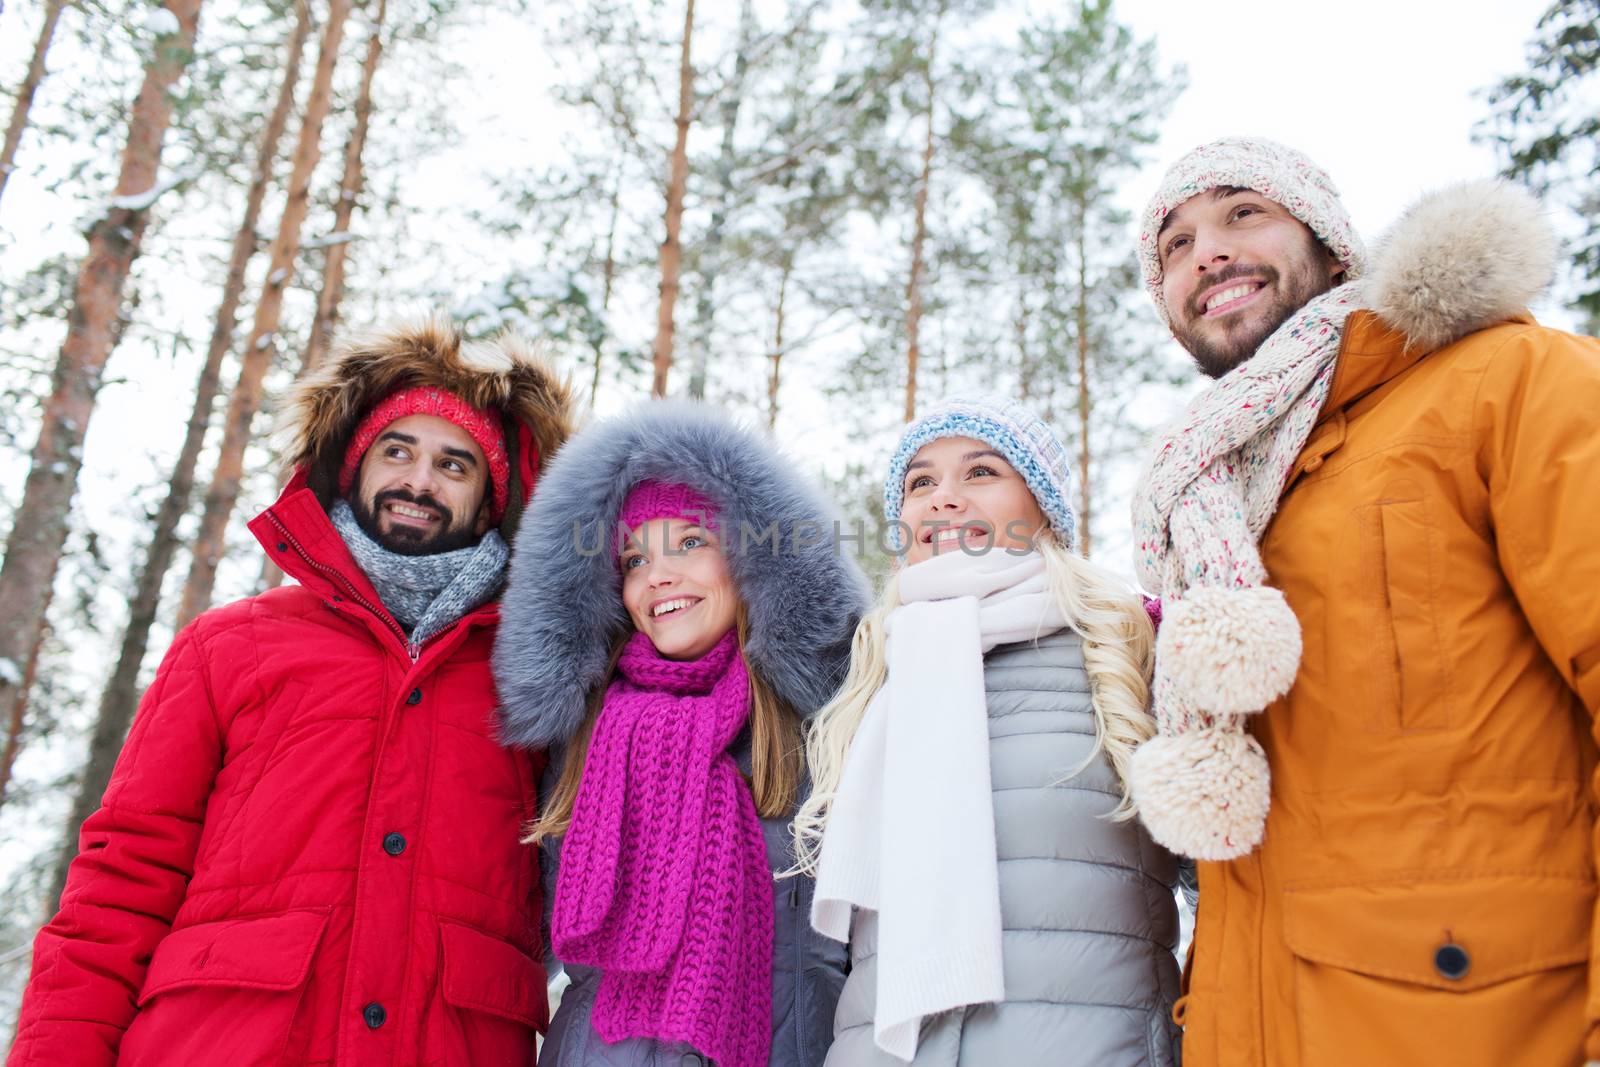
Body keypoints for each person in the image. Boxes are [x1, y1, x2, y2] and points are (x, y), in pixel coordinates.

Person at [1129, 137, 1600, 1066]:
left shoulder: (1513, 381)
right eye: (1175, 245)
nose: (1207, 252)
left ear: (1333, 247)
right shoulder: (1215, 509)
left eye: (1242, 213)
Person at [7, 314, 575, 1067]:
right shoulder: (229, 645)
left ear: (491, 498)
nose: (418, 480)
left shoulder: (537, 675)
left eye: (454, 464)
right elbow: (120, 885)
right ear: (353, 466)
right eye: (396, 450)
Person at [793, 396, 1181, 1067]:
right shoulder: (872, 679)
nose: (943, 497)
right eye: (920, 482)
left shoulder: (1129, 647)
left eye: (980, 472)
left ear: (1043, 507)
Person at [492, 401, 871, 1067]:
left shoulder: (829, 728)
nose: (658, 575)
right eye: (635, 558)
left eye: (690, 543)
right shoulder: (582, 741)